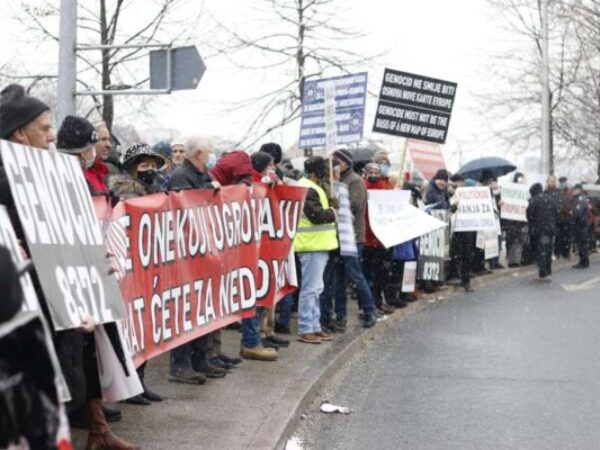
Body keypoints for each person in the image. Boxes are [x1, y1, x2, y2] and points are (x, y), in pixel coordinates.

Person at [167, 135, 233, 383]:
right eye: (209, 152)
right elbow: (184, 208)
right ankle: (181, 364)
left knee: (202, 309)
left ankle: (200, 359)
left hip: (202, 253)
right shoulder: (181, 177)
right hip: (186, 255)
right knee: (186, 311)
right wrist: (207, 192)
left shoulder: (202, 175)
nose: (212, 156)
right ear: (198, 155)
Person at [110, 143, 166, 406]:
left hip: (150, 269)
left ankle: (141, 381)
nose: (150, 170)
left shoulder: (157, 192)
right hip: (130, 271)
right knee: (131, 329)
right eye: (144, 166)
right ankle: (129, 385)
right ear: (132, 168)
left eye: (153, 166)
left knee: (146, 327)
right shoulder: (124, 195)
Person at [210, 150, 280, 361]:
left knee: (253, 292)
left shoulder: (249, 186)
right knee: (245, 294)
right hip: (229, 252)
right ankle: (247, 342)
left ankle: (244, 343)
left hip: (243, 249)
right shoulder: (221, 186)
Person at [293, 156, 339, 344]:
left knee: (316, 288)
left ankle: (314, 325)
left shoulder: (311, 186)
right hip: (311, 245)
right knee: (311, 289)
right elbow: (316, 216)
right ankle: (306, 328)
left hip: (317, 244)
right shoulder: (307, 187)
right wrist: (333, 211)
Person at [527, 183, 558, 280]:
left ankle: (542, 272)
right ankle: (548, 270)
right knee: (548, 249)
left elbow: (529, 215)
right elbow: (556, 212)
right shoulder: (551, 199)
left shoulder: (534, 201)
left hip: (539, 229)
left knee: (541, 250)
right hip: (550, 229)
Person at [503, 172, 528, 268]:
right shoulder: (509, 191)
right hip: (511, 221)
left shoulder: (525, 191)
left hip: (520, 221)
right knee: (511, 241)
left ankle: (516, 260)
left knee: (518, 241)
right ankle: (511, 260)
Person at [571, 184, 590, 269]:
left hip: (581, 224)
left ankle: (584, 262)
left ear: (579, 190)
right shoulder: (578, 198)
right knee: (581, 243)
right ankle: (583, 261)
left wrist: (572, 213)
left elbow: (579, 212)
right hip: (581, 224)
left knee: (582, 243)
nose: (573, 191)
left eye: (574, 190)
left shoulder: (581, 199)